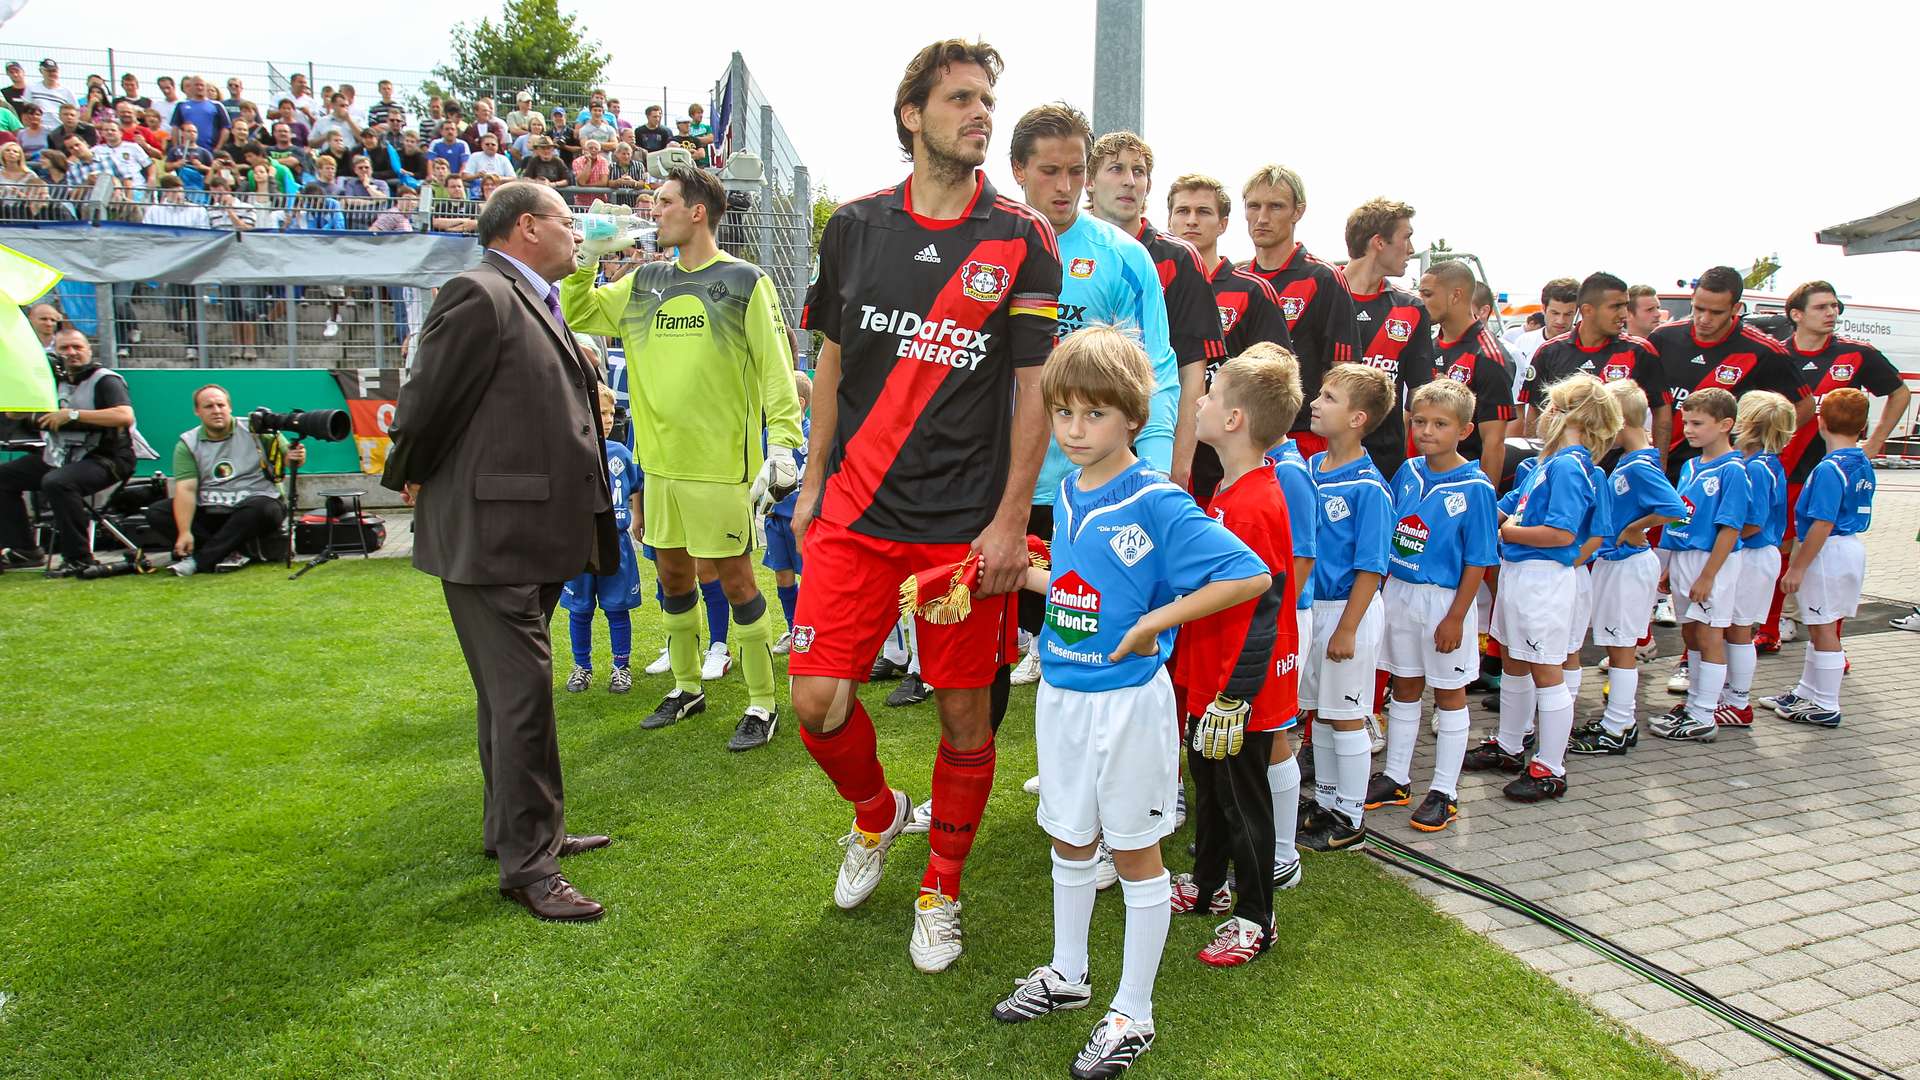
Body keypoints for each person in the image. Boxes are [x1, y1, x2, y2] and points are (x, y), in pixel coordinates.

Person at [790, 37, 1061, 975]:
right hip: (854, 516)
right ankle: (877, 815)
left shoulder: (1022, 238)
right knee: (818, 705)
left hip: (960, 529)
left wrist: (1007, 520)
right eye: (959, 99)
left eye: (987, 99)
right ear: (912, 116)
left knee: (964, 723)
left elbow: (1035, 390)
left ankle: (941, 888)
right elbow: (829, 360)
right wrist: (814, 477)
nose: (979, 113)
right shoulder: (854, 227)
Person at [991, 327, 1270, 1078]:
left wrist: (1155, 622)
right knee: (1069, 839)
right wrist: (1025, 580)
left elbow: (1248, 576)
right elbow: (1087, 593)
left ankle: (1133, 1013)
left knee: (1137, 852)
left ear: (1132, 419)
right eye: (1064, 414)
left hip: (1127, 705)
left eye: (1094, 415)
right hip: (1064, 694)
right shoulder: (1074, 491)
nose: (1075, 431)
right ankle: (1068, 974)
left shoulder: (1155, 498)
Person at [379, 180, 619, 923]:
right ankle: (530, 866)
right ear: (525, 228)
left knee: (507, 699)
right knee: (522, 703)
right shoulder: (477, 293)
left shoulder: (530, 299)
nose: (578, 235)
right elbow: (425, 405)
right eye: (567, 221)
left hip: (531, 534)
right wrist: (409, 475)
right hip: (493, 537)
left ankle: (514, 832)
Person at [560, 165, 806, 753]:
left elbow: (776, 370)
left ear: (697, 211)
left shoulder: (745, 281)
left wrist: (783, 444)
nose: (654, 210)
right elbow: (578, 313)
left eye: (665, 201)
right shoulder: (645, 282)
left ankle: (762, 702)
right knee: (672, 574)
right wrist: (586, 259)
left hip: (720, 466)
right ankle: (687, 685)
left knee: (737, 578)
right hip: (660, 464)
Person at [1004, 102, 1170, 692]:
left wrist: (1147, 467)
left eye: (1077, 171)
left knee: (1092, 616)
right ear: (1019, 169)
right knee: (1009, 615)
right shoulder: (990, 245)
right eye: (1051, 171)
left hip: (1093, 473)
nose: (1067, 186)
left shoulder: (1124, 255)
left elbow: (1156, 368)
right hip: (1006, 470)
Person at [1170, 348, 1300, 964]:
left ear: (1234, 420)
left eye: (1211, 395)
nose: (1198, 400)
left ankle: (1256, 916)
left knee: (1241, 795)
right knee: (1208, 781)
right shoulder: (1230, 486)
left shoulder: (1257, 502)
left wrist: (1236, 696)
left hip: (1236, 687)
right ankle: (1207, 882)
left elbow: (1267, 600)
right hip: (1209, 671)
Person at [1468, 374, 1621, 799]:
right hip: (1523, 574)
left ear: (1569, 416)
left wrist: (1510, 532)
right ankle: (1510, 744)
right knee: (1516, 660)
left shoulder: (1570, 465)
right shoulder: (1549, 462)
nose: (1542, 415)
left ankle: (1550, 766)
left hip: (1541, 577)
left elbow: (1559, 534)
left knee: (1546, 669)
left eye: (1552, 407)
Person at [1370, 379, 1498, 831]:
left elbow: (1480, 558)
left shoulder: (1476, 486)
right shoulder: (1408, 471)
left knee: (1449, 692)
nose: (1427, 431)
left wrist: (1457, 617)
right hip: (1400, 593)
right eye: (1420, 421)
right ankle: (1396, 777)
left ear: (1464, 430)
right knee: (1404, 685)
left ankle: (1445, 789)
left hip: (1444, 601)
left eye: (1440, 424)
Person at [1760, 280, 1908, 651]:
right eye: (1822, 307)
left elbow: (1899, 392)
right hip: (1787, 468)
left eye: (1835, 306)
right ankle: (1772, 627)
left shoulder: (1856, 353)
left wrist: (1875, 443)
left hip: (1832, 470)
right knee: (1781, 544)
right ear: (1796, 315)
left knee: (1826, 545)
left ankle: (1822, 633)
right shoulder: (1776, 355)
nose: (1832, 313)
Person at [1082, 131, 1221, 487]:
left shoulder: (1179, 258)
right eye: (1116, 169)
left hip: (1145, 446)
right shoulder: (1055, 242)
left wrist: (1178, 463)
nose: (1130, 181)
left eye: (1139, 171)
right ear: (1089, 182)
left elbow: (1192, 371)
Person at [1296, 364, 1394, 851]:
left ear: (1357, 418)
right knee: (1325, 713)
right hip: (1316, 608)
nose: (1315, 402)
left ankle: (1352, 818)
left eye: (1329, 397)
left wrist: (1347, 628)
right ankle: (1328, 800)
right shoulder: (1312, 470)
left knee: (1349, 715)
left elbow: (1372, 567)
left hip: (1348, 613)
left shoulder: (1370, 487)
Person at [1568, 381, 1686, 756]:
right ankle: (1618, 721)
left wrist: (1636, 527)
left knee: (1621, 649)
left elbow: (1675, 509)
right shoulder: (1633, 461)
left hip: (1628, 564)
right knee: (1616, 645)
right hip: (1618, 563)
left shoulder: (1638, 465)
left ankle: (1618, 725)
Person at [1165, 173, 1295, 503]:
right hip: (1165, 438)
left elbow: (1277, 378)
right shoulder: (1155, 283)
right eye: (1182, 211)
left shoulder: (1252, 290)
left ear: (1223, 223)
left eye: (1203, 212)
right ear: (1168, 220)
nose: (1191, 221)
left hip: (1225, 458)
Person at [1761, 387, 1874, 728]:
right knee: (1818, 623)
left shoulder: (1829, 468)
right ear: (1863, 426)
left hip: (1828, 550)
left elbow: (1822, 523)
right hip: (1848, 546)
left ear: (1821, 422)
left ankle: (1826, 702)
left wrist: (1797, 566)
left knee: (1823, 628)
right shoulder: (1861, 460)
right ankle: (1808, 690)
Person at [1648, 388, 1749, 743]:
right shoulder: (1691, 465)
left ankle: (1705, 713)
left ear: (1725, 425)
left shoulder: (1734, 470)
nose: (1688, 429)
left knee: (1709, 634)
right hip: (1686, 559)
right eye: (1685, 422)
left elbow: (1731, 527)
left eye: (1697, 423)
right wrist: (1669, 564)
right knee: (1690, 632)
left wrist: (1709, 575)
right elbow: (1682, 517)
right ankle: (1692, 705)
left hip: (1712, 561)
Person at [1649, 266, 1812, 478]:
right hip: (1663, 466)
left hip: (1723, 473)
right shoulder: (1663, 338)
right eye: (1698, 309)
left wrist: (1753, 449)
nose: (1704, 319)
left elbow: (1804, 406)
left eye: (1716, 312)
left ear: (1736, 308)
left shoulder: (1764, 351)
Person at [1239, 164, 1355, 456]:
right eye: (1254, 206)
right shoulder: (1236, 279)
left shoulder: (1323, 278)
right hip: (1239, 432)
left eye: (1275, 206)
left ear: (1297, 211)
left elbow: (1343, 369)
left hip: (1301, 436)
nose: (1262, 218)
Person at [0, 329, 137, 576]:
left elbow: (124, 416)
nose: (71, 353)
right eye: (64, 349)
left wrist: (72, 415)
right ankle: (24, 549)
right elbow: (12, 414)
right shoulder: (49, 382)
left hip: (108, 457)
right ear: (53, 353)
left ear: (89, 350)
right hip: (61, 455)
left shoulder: (106, 380)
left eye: (77, 347)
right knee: (4, 476)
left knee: (58, 482)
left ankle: (79, 558)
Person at [149, 384, 303, 576]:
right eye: (209, 406)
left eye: (220, 405)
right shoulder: (187, 443)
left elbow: (288, 459)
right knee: (157, 512)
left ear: (229, 407)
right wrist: (184, 531)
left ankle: (200, 560)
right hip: (212, 509)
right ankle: (231, 553)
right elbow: (186, 489)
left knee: (263, 509)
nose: (216, 411)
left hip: (255, 507)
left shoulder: (258, 429)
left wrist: (297, 456)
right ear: (197, 411)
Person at [1714, 391, 1794, 728]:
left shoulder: (1758, 468)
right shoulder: (1758, 463)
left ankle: (1737, 700)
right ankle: (1729, 695)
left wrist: (1716, 540)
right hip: (1754, 553)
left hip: (1754, 553)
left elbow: (1755, 520)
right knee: (1733, 627)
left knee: (1739, 628)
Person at [1520, 271, 1671, 448]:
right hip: (1566, 466)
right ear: (1587, 310)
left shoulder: (1640, 351)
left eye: (1625, 305)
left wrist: (1659, 464)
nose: (1623, 314)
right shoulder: (1549, 351)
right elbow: (1534, 413)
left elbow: (1662, 414)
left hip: (1619, 470)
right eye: (1615, 306)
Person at [1342, 198, 1435, 482]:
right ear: (1379, 242)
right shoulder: (1324, 295)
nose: (1410, 249)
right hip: (1320, 455)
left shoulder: (1411, 308)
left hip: (1384, 462)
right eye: (1406, 238)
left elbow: (1421, 393)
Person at [562, 384, 645, 694]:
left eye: (611, 413)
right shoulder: (570, 452)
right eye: (601, 412)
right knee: (579, 609)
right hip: (580, 543)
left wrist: (638, 517)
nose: (608, 419)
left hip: (616, 544)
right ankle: (581, 666)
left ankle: (621, 667)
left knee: (616, 608)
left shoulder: (621, 453)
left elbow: (636, 487)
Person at [1419, 260, 1514, 485]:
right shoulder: (1427, 347)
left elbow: (1494, 443)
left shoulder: (1489, 356)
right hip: (1424, 478)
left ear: (1455, 295)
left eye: (1428, 294)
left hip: (1463, 485)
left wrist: (1481, 503)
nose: (1420, 302)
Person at [766, 371, 812, 654]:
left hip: (802, 520)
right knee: (782, 576)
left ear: (800, 402)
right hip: (775, 518)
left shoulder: (814, 434)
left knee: (809, 577)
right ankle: (793, 627)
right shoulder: (770, 434)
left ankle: (809, 630)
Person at [1507, 278, 1579, 397]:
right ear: (1544, 309)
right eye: (1555, 313)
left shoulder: (1583, 344)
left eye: (1568, 314)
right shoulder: (1523, 342)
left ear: (1576, 312)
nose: (1560, 320)